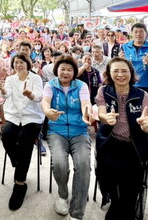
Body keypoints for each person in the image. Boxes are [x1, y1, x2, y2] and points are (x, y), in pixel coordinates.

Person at [95, 58, 148, 220]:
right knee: (111, 181)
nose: (120, 75)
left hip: (134, 145)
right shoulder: (103, 91)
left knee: (131, 186)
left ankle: (126, 208)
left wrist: (147, 127)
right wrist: (106, 118)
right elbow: (101, 113)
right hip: (110, 143)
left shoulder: (142, 95)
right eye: (116, 71)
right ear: (109, 74)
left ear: (131, 73)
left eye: (124, 71)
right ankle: (115, 203)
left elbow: (146, 120)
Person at [41, 55, 94, 220]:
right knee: (59, 163)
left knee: (84, 164)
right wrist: (48, 112)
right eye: (62, 69)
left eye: (70, 69)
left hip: (80, 131)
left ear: (75, 71)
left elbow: (86, 103)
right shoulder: (50, 85)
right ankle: (63, 195)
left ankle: (77, 212)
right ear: (57, 70)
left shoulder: (81, 85)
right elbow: (45, 102)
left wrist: (87, 112)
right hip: (56, 131)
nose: (65, 72)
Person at [0, 53, 44, 211]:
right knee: (6, 135)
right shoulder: (10, 79)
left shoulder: (35, 78)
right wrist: (2, 89)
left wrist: (30, 94)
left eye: (22, 62)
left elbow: (39, 96)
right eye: (16, 62)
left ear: (28, 64)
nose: (18, 65)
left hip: (32, 118)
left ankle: (20, 184)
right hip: (15, 117)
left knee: (25, 140)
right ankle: (18, 162)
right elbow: (7, 94)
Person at [119, 23, 148, 92]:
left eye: (141, 32)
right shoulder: (124, 47)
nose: (138, 34)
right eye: (135, 32)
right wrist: (121, 60)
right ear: (131, 33)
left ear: (146, 34)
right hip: (130, 84)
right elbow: (119, 66)